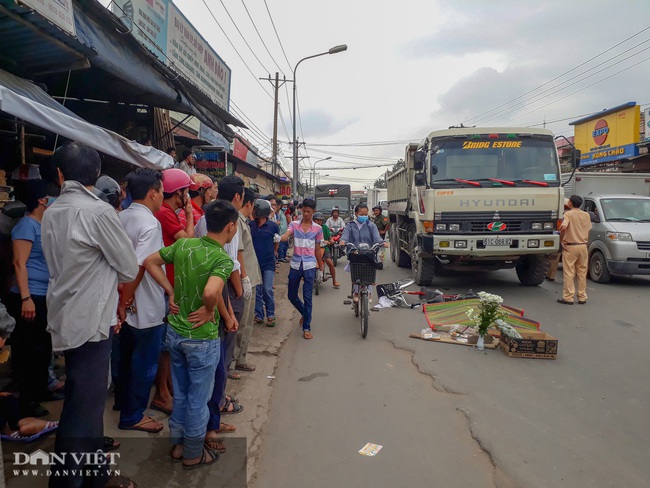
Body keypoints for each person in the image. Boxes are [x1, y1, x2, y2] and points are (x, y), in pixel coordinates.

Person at [42, 142, 139, 488]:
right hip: (91, 321)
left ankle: (97, 476)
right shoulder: (97, 212)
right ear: (96, 175)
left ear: (59, 174)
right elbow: (128, 267)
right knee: (81, 412)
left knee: (87, 403)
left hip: (66, 314)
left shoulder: (52, 210)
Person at [144, 199, 238, 470]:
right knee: (199, 399)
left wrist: (170, 291)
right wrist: (210, 310)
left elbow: (150, 262)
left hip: (176, 333)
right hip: (202, 338)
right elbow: (211, 292)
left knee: (182, 393)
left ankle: (178, 445)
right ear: (230, 227)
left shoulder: (185, 245)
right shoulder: (221, 258)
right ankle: (193, 453)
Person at [115, 168, 167, 434]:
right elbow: (141, 265)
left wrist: (120, 301)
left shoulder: (120, 217)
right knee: (144, 363)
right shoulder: (150, 223)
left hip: (120, 301)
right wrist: (126, 301)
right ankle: (133, 415)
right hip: (143, 304)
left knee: (124, 358)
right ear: (152, 193)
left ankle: (123, 405)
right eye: (161, 192)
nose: (162, 197)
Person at [7, 179, 58, 418]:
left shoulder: (44, 224)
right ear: (42, 200)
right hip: (30, 296)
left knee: (42, 348)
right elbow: (19, 263)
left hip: (44, 294)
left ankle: (40, 390)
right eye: (52, 195)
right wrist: (26, 297)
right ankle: (27, 400)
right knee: (29, 350)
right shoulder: (26, 225)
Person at [151, 168, 195, 416]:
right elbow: (187, 244)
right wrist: (189, 216)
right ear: (178, 192)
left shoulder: (168, 213)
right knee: (167, 343)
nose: (188, 196)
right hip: (166, 282)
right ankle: (162, 393)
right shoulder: (166, 214)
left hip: (170, 280)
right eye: (186, 191)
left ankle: (166, 386)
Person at [280, 199, 323, 340]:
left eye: (308, 212)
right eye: (303, 211)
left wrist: (320, 263)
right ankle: (305, 313)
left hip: (310, 265)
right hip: (296, 265)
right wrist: (283, 237)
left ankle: (307, 327)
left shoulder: (318, 229)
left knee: (308, 297)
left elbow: (317, 248)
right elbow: (287, 234)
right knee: (292, 295)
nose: (305, 214)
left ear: (313, 212)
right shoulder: (294, 225)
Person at [230, 187, 262, 375]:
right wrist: (244, 278)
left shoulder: (244, 222)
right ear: (248, 203)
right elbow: (238, 254)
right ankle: (232, 362)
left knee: (248, 322)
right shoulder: (238, 223)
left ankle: (241, 358)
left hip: (250, 278)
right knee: (240, 323)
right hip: (244, 279)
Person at [340, 203, 385, 302]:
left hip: (368, 252)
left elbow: (376, 237)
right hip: (354, 253)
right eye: (361, 214)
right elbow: (345, 236)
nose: (364, 216)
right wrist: (343, 241)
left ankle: (369, 292)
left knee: (370, 271)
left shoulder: (371, 225)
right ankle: (355, 292)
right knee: (356, 271)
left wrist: (382, 242)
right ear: (356, 214)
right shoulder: (350, 225)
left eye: (365, 214)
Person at [557, 195, 592, 305]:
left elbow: (563, 227)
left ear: (570, 203)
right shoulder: (586, 215)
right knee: (582, 272)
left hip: (570, 246)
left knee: (569, 272)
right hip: (583, 245)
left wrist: (562, 240)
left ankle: (568, 297)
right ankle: (582, 296)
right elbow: (589, 229)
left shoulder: (568, 214)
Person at [251, 199, 280, 327]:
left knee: (267, 289)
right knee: (257, 290)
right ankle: (259, 315)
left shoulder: (273, 226)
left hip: (268, 263)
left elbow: (276, 241)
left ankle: (271, 314)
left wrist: (274, 252)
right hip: (254, 263)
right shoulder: (250, 225)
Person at [312, 212, 340, 288]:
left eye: (320, 220)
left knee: (330, 264)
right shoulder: (311, 227)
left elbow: (330, 237)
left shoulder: (325, 227)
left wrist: (331, 240)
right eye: (316, 220)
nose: (318, 222)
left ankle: (334, 280)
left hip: (324, 248)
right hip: (312, 249)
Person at [546, 198, 571, 282]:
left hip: (561, 238)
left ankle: (551, 275)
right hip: (571, 240)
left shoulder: (562, 214)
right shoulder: (574, 214)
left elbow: (561, 228)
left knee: (555, 258)